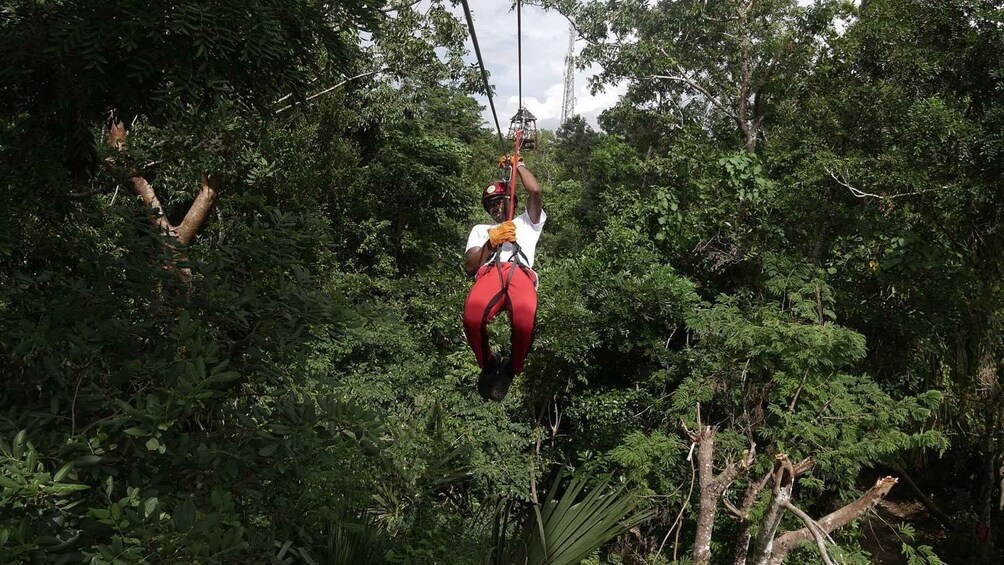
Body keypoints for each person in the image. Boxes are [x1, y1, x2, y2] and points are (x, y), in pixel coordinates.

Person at [462, 162, 545, 401]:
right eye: (490, 205)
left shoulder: (527, 221)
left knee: (524, 324)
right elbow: (470, 265)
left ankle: (511, 369)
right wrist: (492, 241)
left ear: (512, 201)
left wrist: (518, 165)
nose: (494, 208)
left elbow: (535, 192)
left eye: (499, 201)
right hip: (491, 271)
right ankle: (488, 364)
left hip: (520, 272)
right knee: (472, 318)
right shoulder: (481, 229)